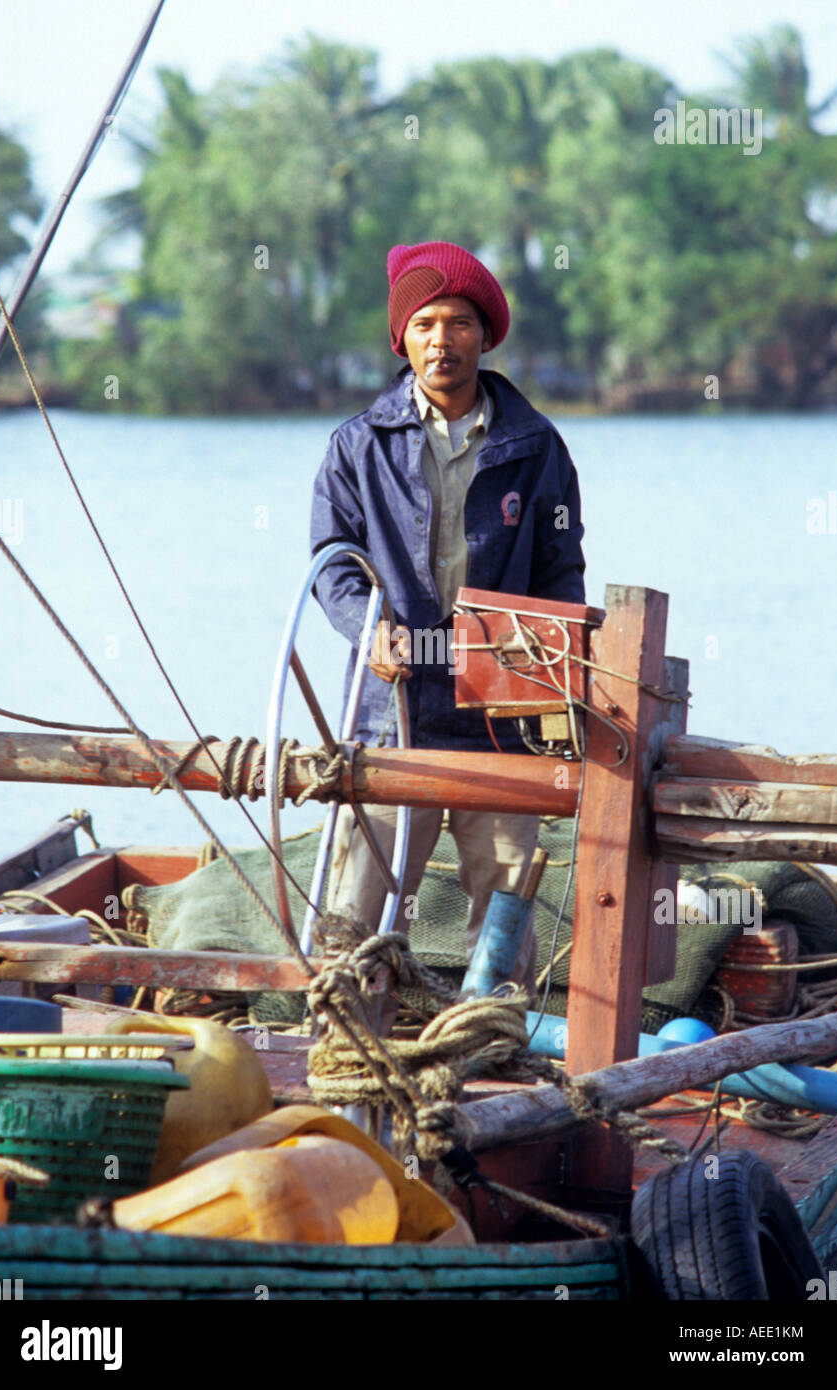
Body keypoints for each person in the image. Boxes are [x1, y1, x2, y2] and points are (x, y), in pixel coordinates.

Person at [310, 240, 585, 1003]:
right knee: (358, 908)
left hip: (499, 713)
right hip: (390, 708)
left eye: (458, 321)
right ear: (402, 338)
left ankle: (494, 1049)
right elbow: (331, 560)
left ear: (484, 334)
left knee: (503, 910)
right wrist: (369, 630)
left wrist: (546, 669)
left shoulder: (535, 448)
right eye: (425, 323)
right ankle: (347, 1042)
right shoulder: (358, 445)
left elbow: (562, 570)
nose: (442, 339)